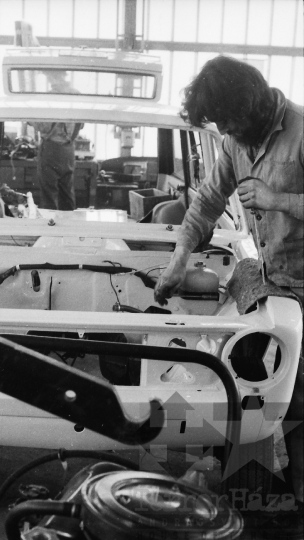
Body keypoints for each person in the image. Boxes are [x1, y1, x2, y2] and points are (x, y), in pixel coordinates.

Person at [154, 55, 303, 536]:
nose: (224, 130)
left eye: (227, 119)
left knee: (301, 395)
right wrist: (179, 258)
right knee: (260, 382)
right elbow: (207, 202)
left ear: (251, 104)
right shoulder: (233, 142)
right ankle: (263, 490)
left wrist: (279, 201)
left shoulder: (301, 131)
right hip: (277, 283)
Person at [34, 71, 83, 210]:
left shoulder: (49, 97)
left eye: (50, 77)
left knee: (49, 194)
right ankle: (69, 222)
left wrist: (30, 120)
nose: (50, 80)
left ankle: (50, 223)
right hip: (68, 149)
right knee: (67, 192)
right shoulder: (77, 95)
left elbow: (43, 126)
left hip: (51, 150)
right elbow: (81, 124)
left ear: (56, 76)